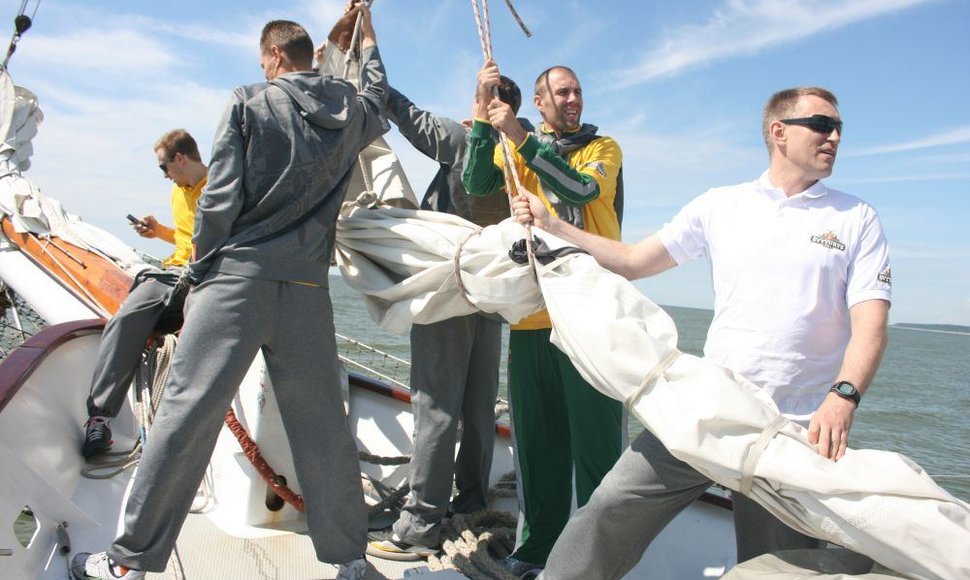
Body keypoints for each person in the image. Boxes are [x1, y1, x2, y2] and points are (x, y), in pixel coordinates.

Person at [511, 87, 892, 579]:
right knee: (609, 509)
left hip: (794, 429)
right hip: (712, 407)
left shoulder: (857, 218)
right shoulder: (721, 205)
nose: (834, 136)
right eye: (821, 125)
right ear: (779, 131)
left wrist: (843, 396)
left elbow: (871, 322)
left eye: (838, 128)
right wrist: (555, 227)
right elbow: (632, 261)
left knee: (772, 565)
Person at [70, 6, 388, 580]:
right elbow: (376, 91)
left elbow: (217, 203)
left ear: (271, 58)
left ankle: (128, 565)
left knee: (186, 417)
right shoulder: (352, 112)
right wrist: (366, 39)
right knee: (323, 431)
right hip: (307, 290)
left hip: (236, 282)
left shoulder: (249, 100)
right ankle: (352, 563)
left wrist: (199, 270)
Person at [461, 61, 625, 577]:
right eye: (562, 92)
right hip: (532, 318)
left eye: (578, 90)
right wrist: (484, 114)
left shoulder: (605, 149)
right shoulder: (515, 145)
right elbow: (475, 180)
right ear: (540, 103)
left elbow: (578, 190)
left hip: (591, 316)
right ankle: (536, 551)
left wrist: (520, 137)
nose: (574, 99)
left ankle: (601, 561)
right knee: (538, 445)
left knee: (598, 452)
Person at [368, 77, 526, 558]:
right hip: (490, 298)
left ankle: (418, 526)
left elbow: (405, 113)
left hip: (446, 292)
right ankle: (471, 502)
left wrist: (368, 56)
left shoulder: (462, 140)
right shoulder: (520, 159)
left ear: (484, 104)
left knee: (435, 406)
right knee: (478, 408)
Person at [82, 129, 207, 458]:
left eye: (163, 167)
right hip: (171, 276)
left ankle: (180, 435)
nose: (165, 176)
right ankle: (99, 418)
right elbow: (185, 237)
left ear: (180, 158)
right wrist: (158, 232)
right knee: (126, 319)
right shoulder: (179, 193)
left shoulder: (221, 189)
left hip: (206, 279)